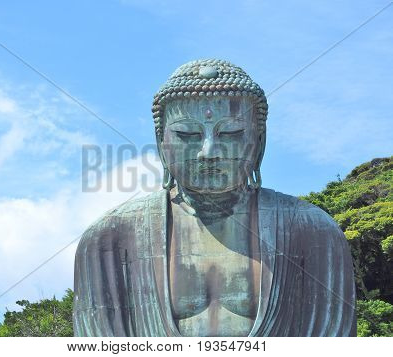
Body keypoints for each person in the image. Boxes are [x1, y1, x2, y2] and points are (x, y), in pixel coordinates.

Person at [73, 59, 356, 336]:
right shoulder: (108, 239)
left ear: (259, 140)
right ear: (161, 143)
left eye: (231, 132)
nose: (208, 151)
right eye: (188, 134)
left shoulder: (311, 231)